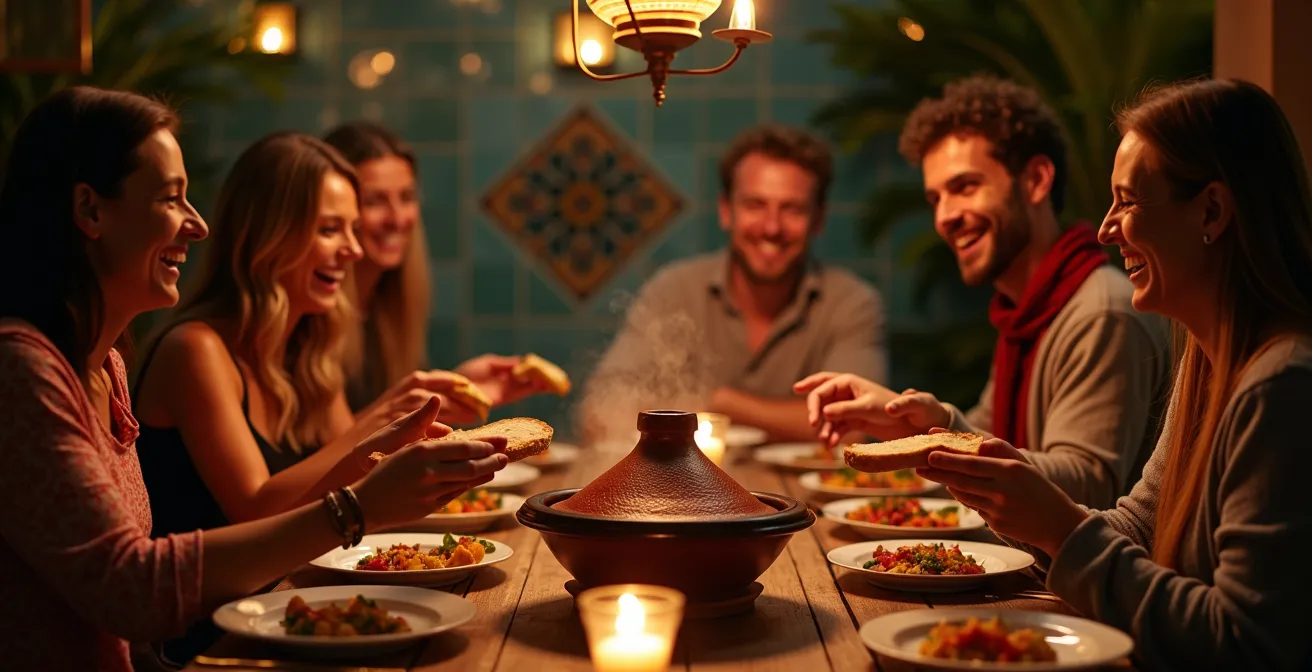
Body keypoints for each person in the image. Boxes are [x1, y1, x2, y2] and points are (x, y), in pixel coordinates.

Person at [0, 87, 508, 671]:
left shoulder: (106, 365)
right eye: (171, 199)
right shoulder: (24, 371)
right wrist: (358, 506)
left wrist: (381, 450)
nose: (197, 225)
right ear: (90, 211)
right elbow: (133, 587)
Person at [919, 78, 1312, 670]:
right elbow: (1138, 528)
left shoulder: (1281, 385)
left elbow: (1247, 644)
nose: (1106, 228)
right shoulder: (1207, 362)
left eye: (1128, 202)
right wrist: (1025, 511)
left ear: (1211, 210)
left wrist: (1058, 526)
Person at [796, 76, 1170, 508]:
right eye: (935, 199)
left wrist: (933, 434)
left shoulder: (1100, 313)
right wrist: (912, 424)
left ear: (1036, 180)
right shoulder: (1027, 309)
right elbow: (986, 437)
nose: (944, 217)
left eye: (965, 187)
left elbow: (1085, 490)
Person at [581, 124, 887, 443]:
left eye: (792, 209)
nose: (772, 227)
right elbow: (597, 414)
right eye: (755, 205)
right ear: (726, 211)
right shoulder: (674, 289)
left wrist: (720, 402)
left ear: (819, 219)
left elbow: (854, 429)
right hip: (684, 477)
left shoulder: (851, 303)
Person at [321, 121, 555, 422]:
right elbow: (335, 446)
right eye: (374, 201)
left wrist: (452, 388)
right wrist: (417, 405)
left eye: (407, 197)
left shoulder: (388, 310)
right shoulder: (316, 316)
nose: (397, 218)